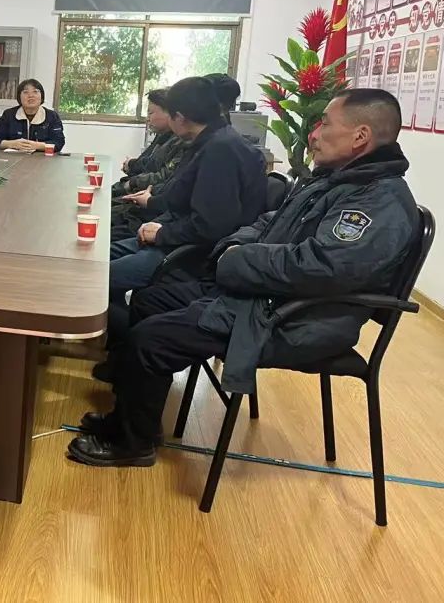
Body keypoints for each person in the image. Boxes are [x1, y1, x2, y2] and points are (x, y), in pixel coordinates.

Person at [68, 89, 418, 467]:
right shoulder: (335, 180)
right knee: (151, 299)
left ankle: (132, 443)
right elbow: (267, 222)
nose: (314, 134)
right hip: (264, 295)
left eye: (325, 124)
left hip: (293, 319)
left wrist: (239, 260)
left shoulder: (379, 200)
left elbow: (323, 267)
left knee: (150, 338)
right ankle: (135, 418)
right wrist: (234, 247)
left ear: (360, 136)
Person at [105, 77, 267, 336]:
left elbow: (212, 226)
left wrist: (161, 233)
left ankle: (129, 342)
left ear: (179, 118)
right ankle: (115, 337)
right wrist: (157, 221)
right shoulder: (207, 141)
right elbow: (180, 197)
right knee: (97, 257)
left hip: (192, 253)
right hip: (174, 236)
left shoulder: (220, 150)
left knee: (99, 278)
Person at [113, 88, 187, 199]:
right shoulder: (162, 135)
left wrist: (133, 182)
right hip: (142, 189)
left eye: (150, 113)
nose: (147, 118)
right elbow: (149, 162)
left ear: (169, 113)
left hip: (150, 195)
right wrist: (132, 165)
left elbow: (165, 176)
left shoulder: (181, 140)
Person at [0, 79, 66, 152]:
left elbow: (59, 142)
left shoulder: (52, 116)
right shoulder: (8, 115)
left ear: (42, 96)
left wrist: (37, 145)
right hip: (13, 158)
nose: (31, 95)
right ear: (19, 97)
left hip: (42, 159)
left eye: (35, 91)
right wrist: (12, 144)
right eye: (25, 92)